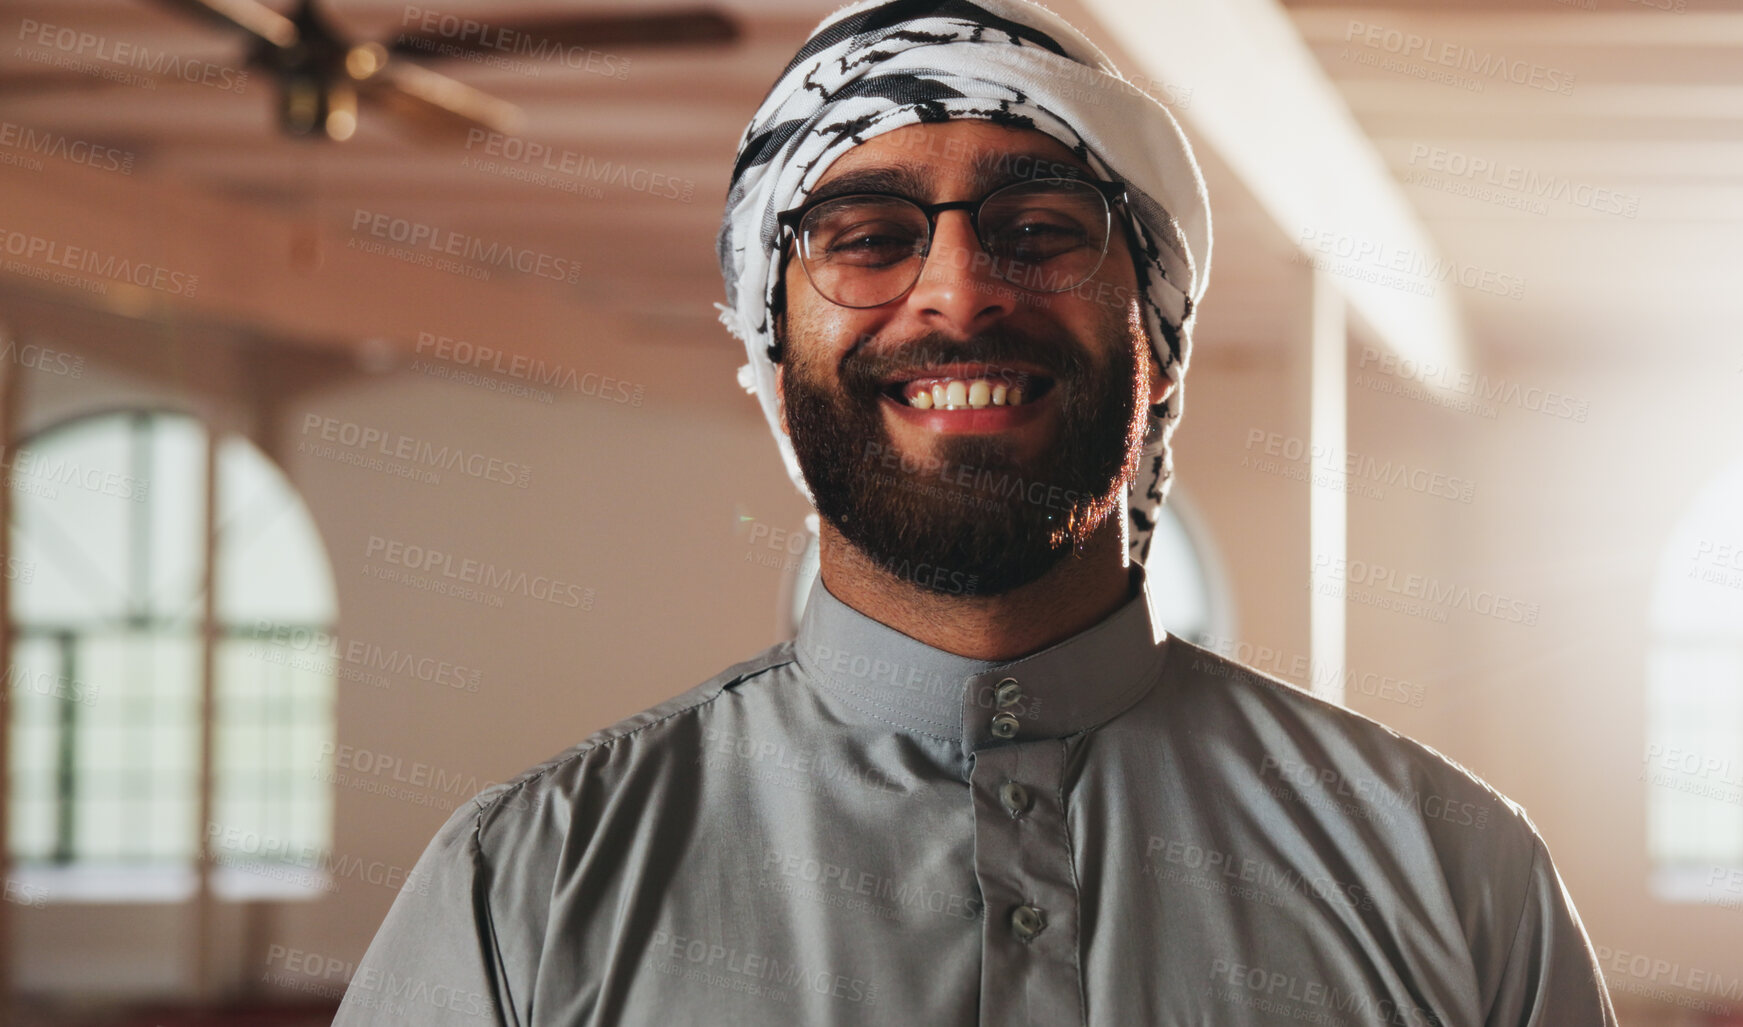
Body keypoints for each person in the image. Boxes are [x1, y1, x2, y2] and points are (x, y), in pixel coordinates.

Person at [334, 1, 1618, 1023]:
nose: (957, 289)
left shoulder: (1455, 877)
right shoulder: (531, 886)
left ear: (1156, 340)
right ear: (775, 361)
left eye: (1040, 227)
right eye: (869, 235)